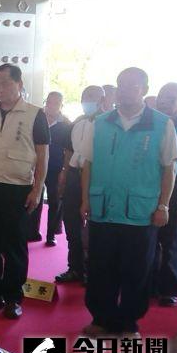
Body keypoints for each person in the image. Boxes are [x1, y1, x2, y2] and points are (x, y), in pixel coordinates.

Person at [81, 67, 177, 337]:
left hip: (140, 213)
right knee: (101, 268)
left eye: (131, 86)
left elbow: (169, 168)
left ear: (144, 90)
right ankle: (101, 319)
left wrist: (163, 206)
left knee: (137, 271)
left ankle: (127, 323)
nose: (124, 91)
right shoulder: (100, 122)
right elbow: (87, 163)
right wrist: (85, 199)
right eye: (120, 85)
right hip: (103, 210)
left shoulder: (161, 124)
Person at [0, 64, 50, 319]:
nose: (0, 88)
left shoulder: (35, 113)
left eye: (5, 82)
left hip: (17, 187)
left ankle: (13, 297)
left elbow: (42, 153)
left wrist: (37, 189)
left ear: (19, 84)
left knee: (14, 244)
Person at [55, 85, 105, 284]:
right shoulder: (77, 122)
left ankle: (93, 271)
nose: (88, 100)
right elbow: (68, 151)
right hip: (75, 176)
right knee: (71, 223)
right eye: (85, 96)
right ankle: (75, 267)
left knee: (95, 227)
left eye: (92, 97)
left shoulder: (108, 122)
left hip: (98, 177)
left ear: (102, 100)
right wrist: (64, 173)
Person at [153, 82, 177, 306]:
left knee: (169, 236)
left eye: (171, 99)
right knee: (147, 236)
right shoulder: (152, 123)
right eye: (162, 98)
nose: (165, 103)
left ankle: (169, 288)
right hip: (149, 183)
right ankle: (146, 283)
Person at [29, 92, 71, 245]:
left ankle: (51, 234)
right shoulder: (37, 118)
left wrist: (64, 170)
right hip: (36, 166)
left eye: (56, 103)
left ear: (61, 105)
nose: (52, 105)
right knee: (35, 198)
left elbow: (68, 150)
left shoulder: (66, 124)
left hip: (56, 167)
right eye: (49, 102)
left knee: (54, 201)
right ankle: (32, 231)